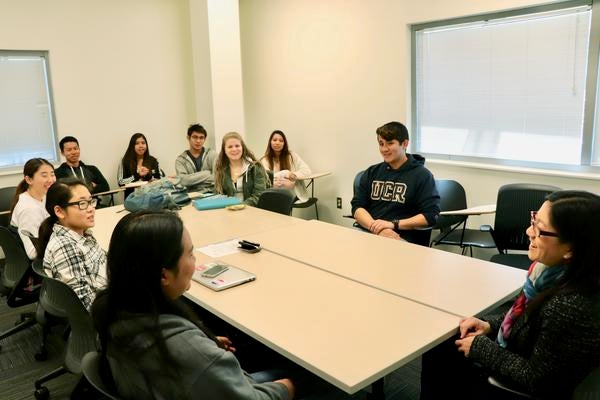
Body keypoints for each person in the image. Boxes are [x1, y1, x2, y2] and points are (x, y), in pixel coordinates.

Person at [91, 210, 294, 399]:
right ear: (164, 275)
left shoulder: (111, 310)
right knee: (305, 377)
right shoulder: (192, 353)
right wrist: (287, 387)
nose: (194, 260)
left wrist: (202, 342)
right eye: (189, 253)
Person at [420, 190, 600, 400]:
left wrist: (481, 347)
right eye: (533, 220)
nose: (528, 231)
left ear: (571, 248)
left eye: (539, 229)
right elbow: (526, 316)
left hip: (522, 383)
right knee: (445, 339)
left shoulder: (570, 305)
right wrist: (490, 325)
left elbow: (538, 379)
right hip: (522, 347)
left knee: (441, 350)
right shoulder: (551, 273)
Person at [350, 121, 440, 244]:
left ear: (405, 143)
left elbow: (430, 216)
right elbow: (357, 207)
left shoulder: (422, 175)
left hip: (401, 236)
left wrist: (392, 225)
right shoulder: (372, 172)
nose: (384, 149)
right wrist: (377, 228)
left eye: (390, 143)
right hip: (370, 232)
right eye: (381, 144)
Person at [36, 178, 107, 310]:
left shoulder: (82, 234)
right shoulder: (65, 246)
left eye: (91, 202)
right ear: (59, 211)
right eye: (82, 203)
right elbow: (84, 305)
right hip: (105, 313)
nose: (91, 208)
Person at [10, 158, 56, 259]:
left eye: (52, 174)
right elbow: (33, 253)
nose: (51, 179)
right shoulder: (29, 209)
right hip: (43, 258)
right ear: (29, 180)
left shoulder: (42, 195)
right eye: (44, 175)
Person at [214, 132, 268, 206]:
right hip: (228, 211)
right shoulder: (220, 169)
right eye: (230, 147)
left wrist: (240, 206)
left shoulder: (255, 167)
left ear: (242, 147)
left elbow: (259, 195)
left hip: (252, 210)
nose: (234, 149)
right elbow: (218, 193)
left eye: (237, 146)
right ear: (224, 150)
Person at [54, 135, 110, 204]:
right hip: (72, 208)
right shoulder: (58, 173)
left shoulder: (92, 169)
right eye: (69, 150)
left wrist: (74, 189)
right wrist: (91, 186)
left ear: (79, 149)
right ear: (62, 153)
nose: (73, 152)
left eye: (75, 148)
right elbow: (60, 194)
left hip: (94, 205)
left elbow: (105, 187)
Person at [260, 130, 312, 202]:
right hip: (273, 193)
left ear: (284, 143)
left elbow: (307, 170)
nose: (277, 143)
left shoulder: (292, 156)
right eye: (274, 140)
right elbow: (265, 177)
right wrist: (283, 175)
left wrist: (293, 175)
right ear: (270, 142)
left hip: (291, 194)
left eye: (281, 141)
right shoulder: (265, 159)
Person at [118, 133, 164, 197]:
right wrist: (137, 175)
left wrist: (151, 178)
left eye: (143, 143)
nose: (141, 146)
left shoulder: (153, 160)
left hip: (151, 198)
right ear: (132, 146)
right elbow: (120, 182)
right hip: (133, 199)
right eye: (137, 143)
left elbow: (161, 180)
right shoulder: (125, 161)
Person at [175, 124, 216, 193]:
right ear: (188, 138)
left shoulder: (212, 155)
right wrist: (207, 173)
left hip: (212, 193)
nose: (198, 141)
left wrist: (192, 182)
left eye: (201, 138)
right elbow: (183, 181)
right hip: (191, 196)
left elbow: (216, 178)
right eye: (195, 137)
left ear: (204, 139)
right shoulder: (181, 160)